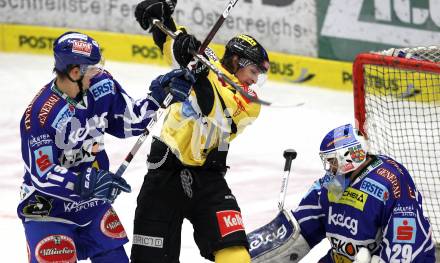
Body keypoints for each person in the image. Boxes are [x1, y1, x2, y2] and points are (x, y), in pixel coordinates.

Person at [17, 31, 195, 263]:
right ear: (74, 73)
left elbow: (130, 121)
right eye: (91, 68)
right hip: (48, 210)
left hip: (91, 205)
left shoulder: (102, 85)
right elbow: (42, 174)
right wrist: (85, 182)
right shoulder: (41, 116)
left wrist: (160, 96)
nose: (97, 72)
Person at [130, 1, 270, 262]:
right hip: (164, 172)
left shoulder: (249, 102)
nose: (255, 80)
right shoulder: (204, 59)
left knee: (236, 253)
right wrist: (161, 20)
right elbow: (171, 45)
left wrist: (199, 72)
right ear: (237, 61)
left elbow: (213, 108)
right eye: (253, 72)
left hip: (208, 179)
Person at [248, 124, 436, 263]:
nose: (330, 167)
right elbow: (303, 224)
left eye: (332, 161)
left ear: (348, 156)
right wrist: (251, 249)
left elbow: (405, 242)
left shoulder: (390, 180)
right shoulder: (335, 182)